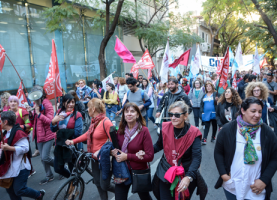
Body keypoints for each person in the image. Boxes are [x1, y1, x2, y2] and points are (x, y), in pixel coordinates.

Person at [214, 97, 277, 200]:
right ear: (243, 110)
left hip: (256, 189)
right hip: (232, 186)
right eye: (253, 111)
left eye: (260, 112)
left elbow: (275, 157)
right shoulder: (227, 129)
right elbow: (218, 153)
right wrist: (224, 175)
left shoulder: (267, 133)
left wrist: (264, 180)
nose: (257, 115)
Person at [152, 101, 206, 200]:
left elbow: (196, 157)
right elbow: (159, 145)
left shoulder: (194, 132)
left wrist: (188, 177)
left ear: (185, 116)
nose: (173, 118)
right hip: (166, 171)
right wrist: (146, 151)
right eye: (171, 114)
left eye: (177, 115)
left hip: (185, 172)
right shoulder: (165, 127)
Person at [65, 98, 115, 200]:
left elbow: (114, 142)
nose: (87, 110)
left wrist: (101, 151)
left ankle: (121, 191)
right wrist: (73, 141)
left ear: (93, 109)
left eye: (88, 108)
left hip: (104, 159)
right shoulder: (94, 122)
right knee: (97, 183)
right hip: (93, 158)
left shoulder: (106, 122)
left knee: (105, 185)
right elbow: (88, 135)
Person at [111, 103, 154, 200]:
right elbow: (115, 149)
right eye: (126, 111)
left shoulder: (144, 131)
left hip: (139, 172)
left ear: (138, 115)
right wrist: (112, 152)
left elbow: (150, 156)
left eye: (132, 111)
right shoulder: (120, 131)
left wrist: (127, 156)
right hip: (122, 172)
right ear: (124, 115)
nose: (129, 114)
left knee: (145, 197)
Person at [0, 111, 45, 200]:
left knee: (19, 190)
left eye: (0, 120)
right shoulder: (5, 133)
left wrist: (9, 148)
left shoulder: (18, 132)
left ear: (5, 122)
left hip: (21, 167)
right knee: (10, 190)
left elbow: (25, 148)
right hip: (10, 166)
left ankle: (38, 195)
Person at [27, 86, 55, 185]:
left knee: (45, 157)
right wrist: (31, 114)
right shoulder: (35, 104)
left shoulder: (47, 103)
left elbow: (50, 121)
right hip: (39, 136)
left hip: (48, 134)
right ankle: (49, 175)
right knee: (43, 159)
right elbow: (33, 122)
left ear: (42, 93)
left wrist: (39, 113)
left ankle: (61, 167)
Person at [50, 94, 83, 178]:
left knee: (73, 168)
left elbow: (78, 132)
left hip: (71, 145)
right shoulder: (59, 112)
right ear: (64, 103)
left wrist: (61, 132)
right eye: (68, 102)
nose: (71, 104)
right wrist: (53, 122)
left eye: (73, 102)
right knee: (57, 168)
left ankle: (74, 185)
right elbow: (53, 129)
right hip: (59, 145)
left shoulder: (77, 114)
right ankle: (71, 179)